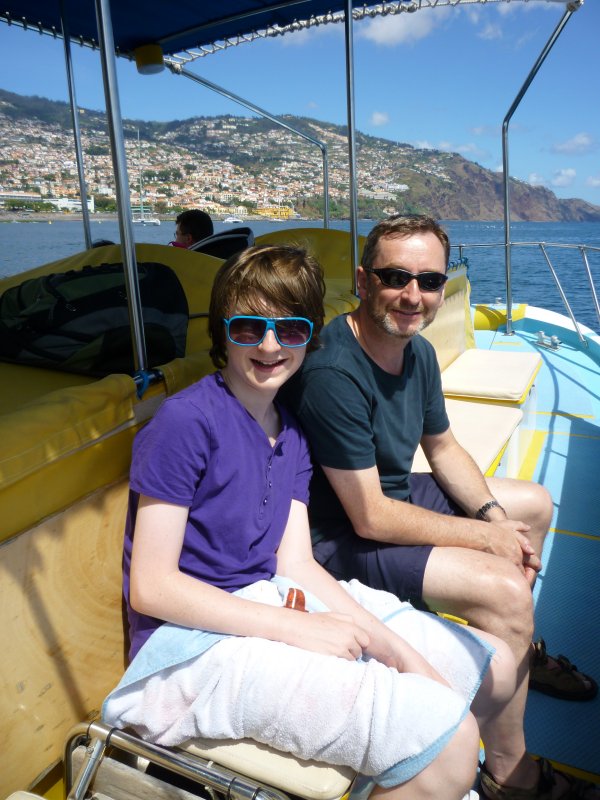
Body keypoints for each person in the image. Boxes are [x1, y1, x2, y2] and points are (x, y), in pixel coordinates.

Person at [101, 243, 588, 800]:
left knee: (498, 667)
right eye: (246, 328)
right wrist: (301, 628)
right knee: (451, 746)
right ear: (222, 331)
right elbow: (153, 588)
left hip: (269, 600)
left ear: (310, 336)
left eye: (289, 331)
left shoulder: (289, 434)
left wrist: (398, 654)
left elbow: (297, 564)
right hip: (186, 651)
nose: (267, 345)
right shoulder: (185, 423)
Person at [282, 215, 598, 798]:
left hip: (388, 499)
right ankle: (510, 771)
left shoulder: (417, 352)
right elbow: (370, 516)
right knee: (504, 588)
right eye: (396, 276)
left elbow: (444, 446)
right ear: (363, 279)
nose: (413, 295)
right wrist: (485, 541)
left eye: (429, 281)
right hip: (338, 539)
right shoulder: (333, 372)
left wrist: (496, 520)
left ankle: (517, 652)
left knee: (533, 504)